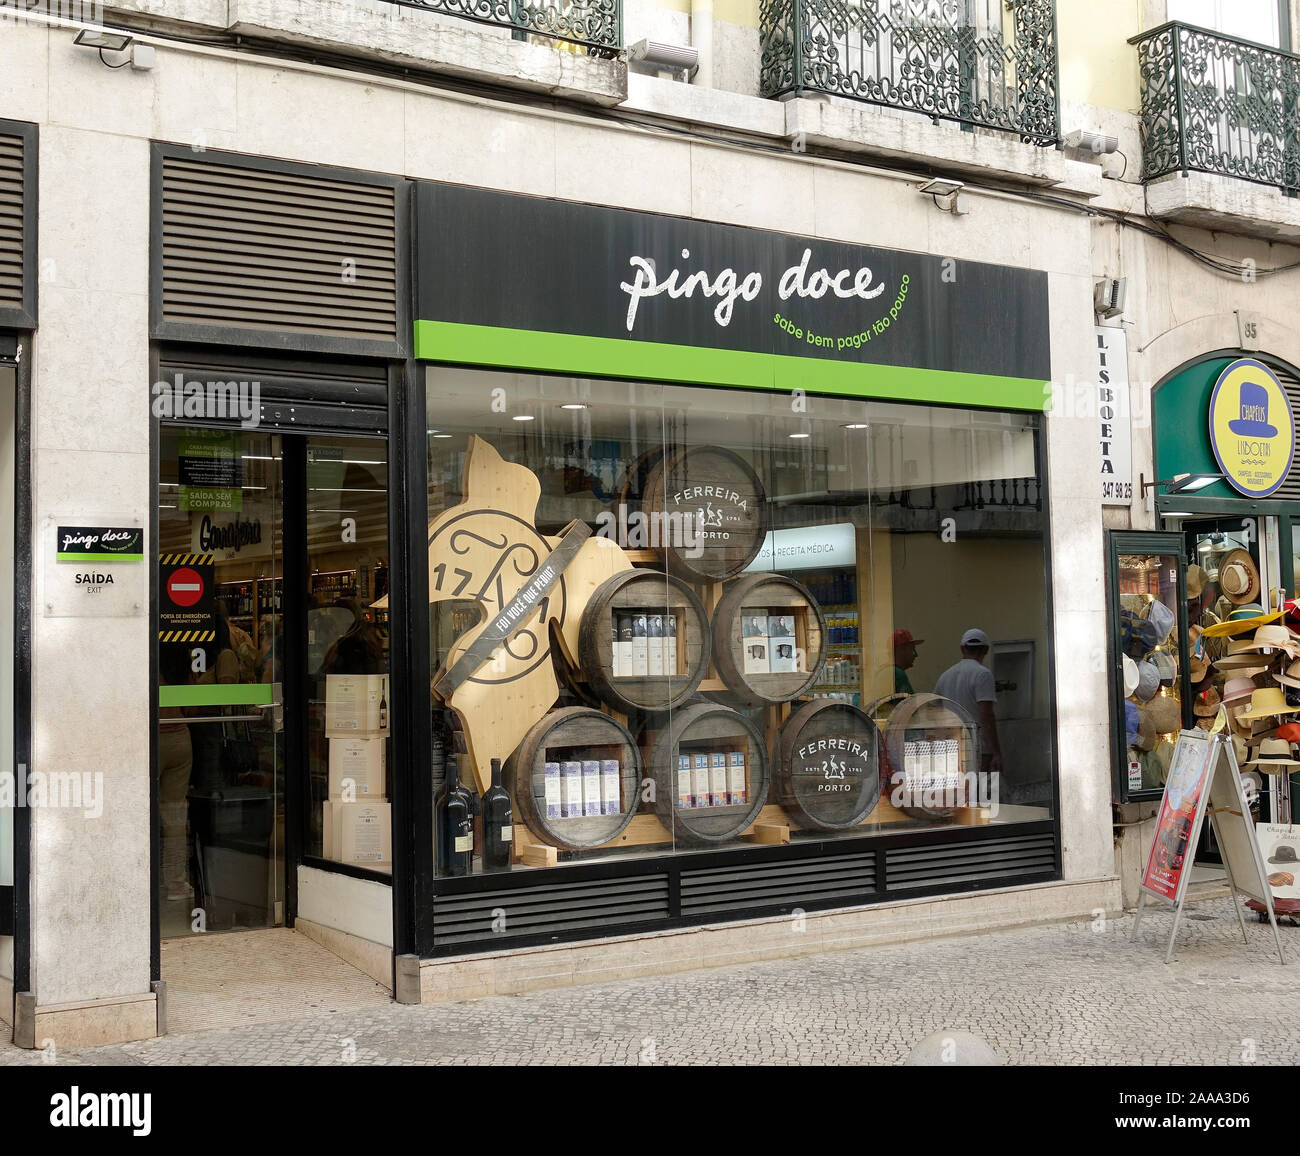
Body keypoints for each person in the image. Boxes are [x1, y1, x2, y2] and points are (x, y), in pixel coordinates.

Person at [933, 627, 1003, 776]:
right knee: (979, 793)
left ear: (962, 649)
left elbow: (934, 711)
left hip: (951, 747)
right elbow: (986, 715)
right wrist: (996, 752)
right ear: (985, 650)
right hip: (978, 747)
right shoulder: (983, 675)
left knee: (958, 793)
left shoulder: (945, 676)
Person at [891, 628, 923, 694]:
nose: (915, 654)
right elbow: (910, 703)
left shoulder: (888, 671)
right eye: (912, 649)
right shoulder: (897, 674)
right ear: (901, 650)